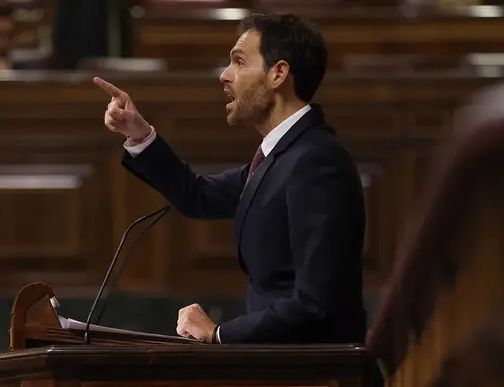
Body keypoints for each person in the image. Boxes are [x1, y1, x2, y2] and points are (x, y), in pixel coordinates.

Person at [94, 13, 367, 344]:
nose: (225, 76)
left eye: (239, 62)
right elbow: (198, 196)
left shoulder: (316, 161)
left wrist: (219, 334)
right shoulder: (283, 156)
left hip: (313, 379)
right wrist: (139, 135)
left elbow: (316, 302)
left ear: (278, 73)